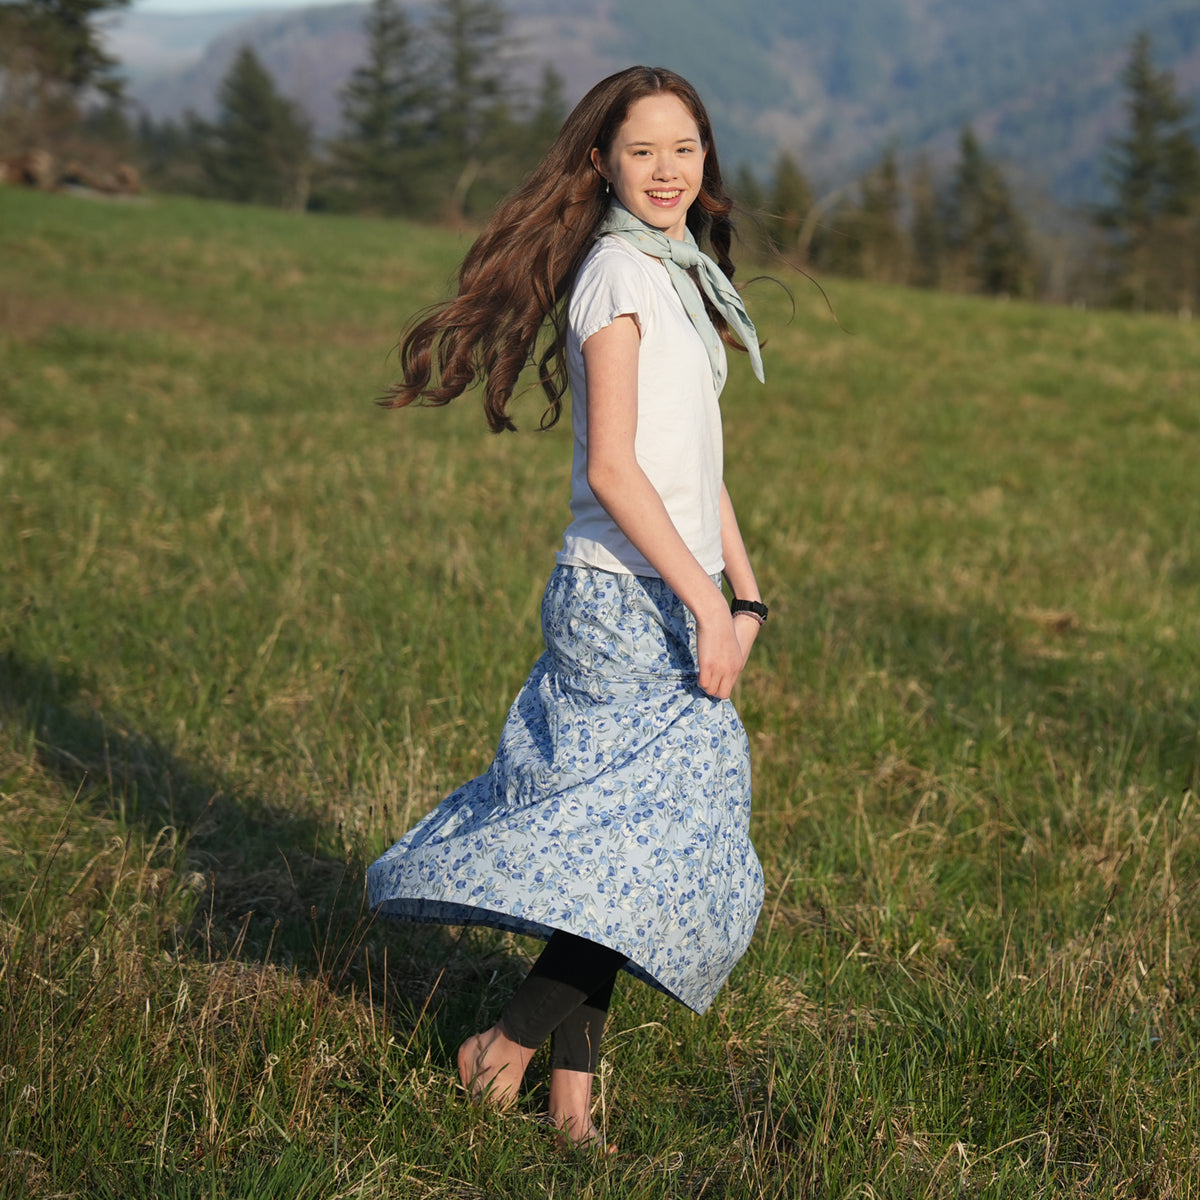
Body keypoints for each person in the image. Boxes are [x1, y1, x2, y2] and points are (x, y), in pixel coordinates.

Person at [366, 65, 769, 1153]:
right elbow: (619, 472)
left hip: (674, 588)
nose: (668, 170)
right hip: (623, 596)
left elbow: (698, 463)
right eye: (643, 152)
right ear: (602, 163)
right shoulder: (616, 278)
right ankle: (499, 1047)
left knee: (616, 852)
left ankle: (570, 1108)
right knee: (650, 850)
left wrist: (748, 588)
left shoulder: (678, 273)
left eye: (684, 149)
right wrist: (703, 603)